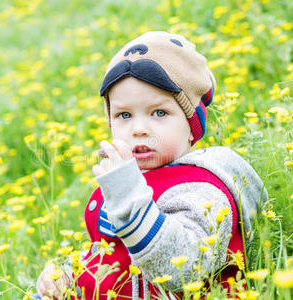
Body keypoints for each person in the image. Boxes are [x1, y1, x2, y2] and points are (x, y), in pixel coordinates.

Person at [36, 31, 267, 300]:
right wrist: (66, 272)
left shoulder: (203, 188)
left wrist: (128, 195)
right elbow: (108, 252)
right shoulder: (124, 178)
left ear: (192, 126)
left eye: (159, 113)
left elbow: (182, 265)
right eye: (124, 115)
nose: (139, 129)